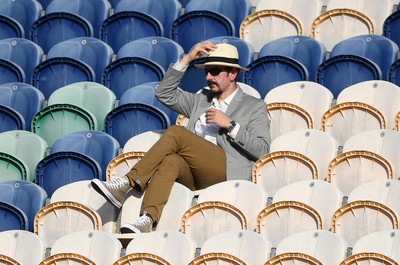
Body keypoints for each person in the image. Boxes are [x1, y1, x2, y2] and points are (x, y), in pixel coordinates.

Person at [91, 41, 271, 233]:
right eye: (207, 71)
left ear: (233, 74)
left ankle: (128, 182)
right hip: (194, 173)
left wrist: (230, 125)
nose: (209, 76)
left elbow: (262, 149)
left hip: (226, 170)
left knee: (177, 132)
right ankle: (148, 218)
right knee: (171, 161)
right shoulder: (201, 99)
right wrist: (188, 58)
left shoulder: (254, 106)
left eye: (216, 71)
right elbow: (164, 93)